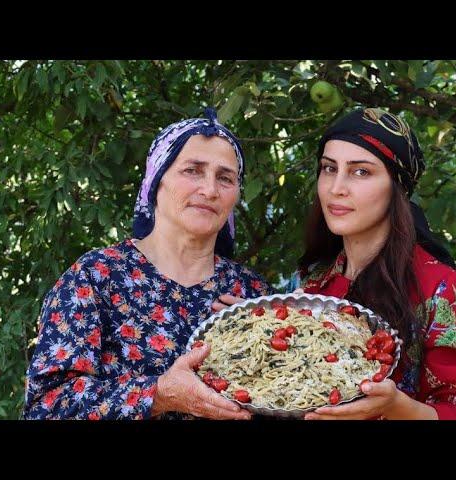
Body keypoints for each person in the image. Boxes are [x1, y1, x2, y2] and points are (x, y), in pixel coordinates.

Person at [215, 107, 456, 420]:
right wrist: (259, 328)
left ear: (397, 188)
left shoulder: (450, 292)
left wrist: (397, 407)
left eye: (360, 171)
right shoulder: (314, 281)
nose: (337, 187)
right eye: (328, 168)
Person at [23, 108, 272, 420]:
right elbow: (46, 407)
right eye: (192, 170)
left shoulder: (252, 293)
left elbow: (291, 400)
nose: (209, 190)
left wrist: (270, 339)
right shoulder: (97, 277)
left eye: (225, 178)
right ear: (157, 180)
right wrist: (158, 394)